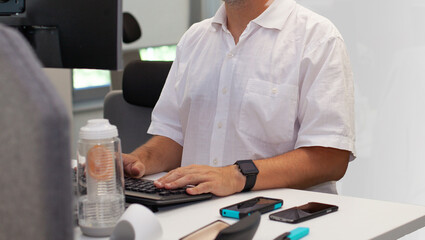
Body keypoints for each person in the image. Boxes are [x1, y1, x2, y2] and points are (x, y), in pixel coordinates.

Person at [123, 0, 355, 196]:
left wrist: (235, 175)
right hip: (194, 212)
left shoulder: (317, 37)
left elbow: (330, 158)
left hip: (282, 218)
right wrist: (139, 161)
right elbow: (175, 137)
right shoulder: (194, 39)